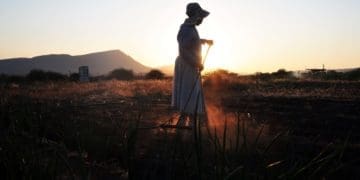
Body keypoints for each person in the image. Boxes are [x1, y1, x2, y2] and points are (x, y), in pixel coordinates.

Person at [171, 3, 213, 127]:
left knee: (191, 93)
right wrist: (196, 63)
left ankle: (187, 125)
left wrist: (203, 41)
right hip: (187, 64)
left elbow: (191, 42)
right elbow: (183, 49)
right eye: (200, 16)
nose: (202, 20)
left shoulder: (190, 28)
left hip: (190, 64)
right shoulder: (186, 29)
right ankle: (188, 126)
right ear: (195, 15)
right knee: (189, 93)